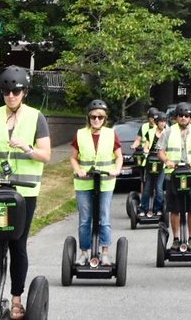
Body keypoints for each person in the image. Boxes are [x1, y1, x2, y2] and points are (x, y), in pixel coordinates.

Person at [0, 66, 52, 320]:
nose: (11, 96)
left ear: (24, 92)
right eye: (6, 92)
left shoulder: (37, 118)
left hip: (24, 193)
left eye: (16, 91)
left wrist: (28, 148)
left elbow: (45, 155)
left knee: (17, 245)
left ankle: (16, 300)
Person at [70, 99, 124, 266]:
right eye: (93, 117)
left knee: (104, 217)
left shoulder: (111, 134)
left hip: (106, 182)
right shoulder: (80, 134)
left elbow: (119, 157)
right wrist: (78, 169)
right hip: (84, 182)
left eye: (100, 117)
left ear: (105, 119)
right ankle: (84, 253)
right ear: (89, 117)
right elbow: (73, 157)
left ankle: (105, 253)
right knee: (85, 219)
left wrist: (116, 169)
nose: (96, 120)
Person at [157, 102, 191, 250]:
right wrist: (167, 161)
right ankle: (176, 239)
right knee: (174, 209)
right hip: (173, 176)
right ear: (176, 117)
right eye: (181, 115)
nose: (183, 118)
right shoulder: (168, 131)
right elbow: (160, 150)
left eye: (187, 116)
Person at [139, 111, 168, 217]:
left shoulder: (168, 133)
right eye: (160, 121)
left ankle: (158, 209)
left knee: (159, 188)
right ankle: (143, 209)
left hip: (162, 163)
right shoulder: (150, 132)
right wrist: (145, 150)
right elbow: (146, 146)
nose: (162, 124)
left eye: (164, 122)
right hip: (150, 161)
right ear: (156, 122)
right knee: (147, 187)